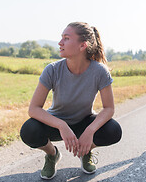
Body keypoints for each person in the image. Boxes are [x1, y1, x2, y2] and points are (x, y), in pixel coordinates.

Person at [20, 22, 122, 179]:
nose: (60, 43)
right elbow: (34, 109)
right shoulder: (52, 69)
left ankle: (86, 150)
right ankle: (52, 154)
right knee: (29, 130)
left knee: (113, 130)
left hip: (83, 122)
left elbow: (109, 108)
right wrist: (61, 125)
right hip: (56, 124)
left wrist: (90, 131)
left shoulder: (100, 71)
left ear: (82, 46)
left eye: (66, 38)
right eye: (61, 38)